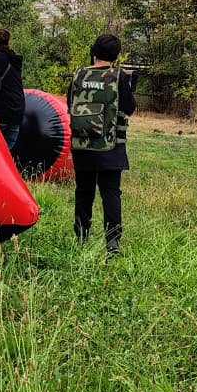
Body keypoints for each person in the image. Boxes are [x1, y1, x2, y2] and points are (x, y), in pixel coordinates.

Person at [67, 33, 136, 255]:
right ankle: (112, 242)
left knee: (83, 191)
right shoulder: (118, 77)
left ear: (94, 52)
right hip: (111, 145)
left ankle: (81, 236)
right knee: (110, 192)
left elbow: (70, 104)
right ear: (115, 56)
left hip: (82, 144)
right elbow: (129, 107)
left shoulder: (79, 75)